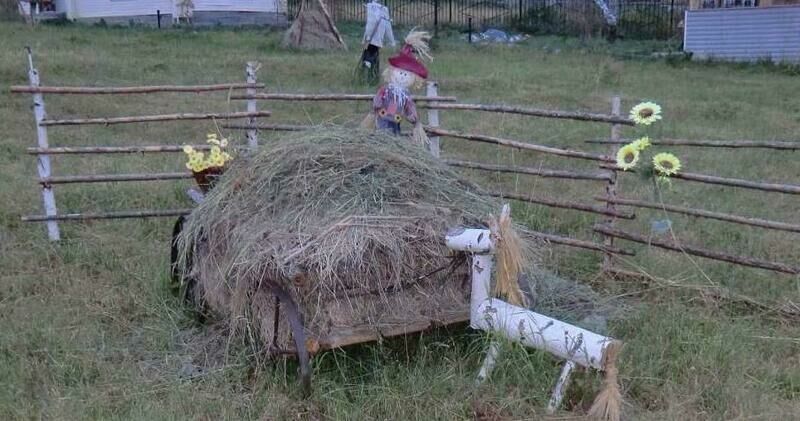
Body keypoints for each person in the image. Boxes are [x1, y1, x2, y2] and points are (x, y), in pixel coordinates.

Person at [359, 0, 395, 84]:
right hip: (376, 39)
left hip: (370, 39)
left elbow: (370, 25)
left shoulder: (370, 7)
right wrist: (392, 41)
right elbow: (388, 27)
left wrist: (365, 38)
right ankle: (372, 77)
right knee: (374, 57)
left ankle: (367, 74)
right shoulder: (383, 9)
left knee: (368, 55)